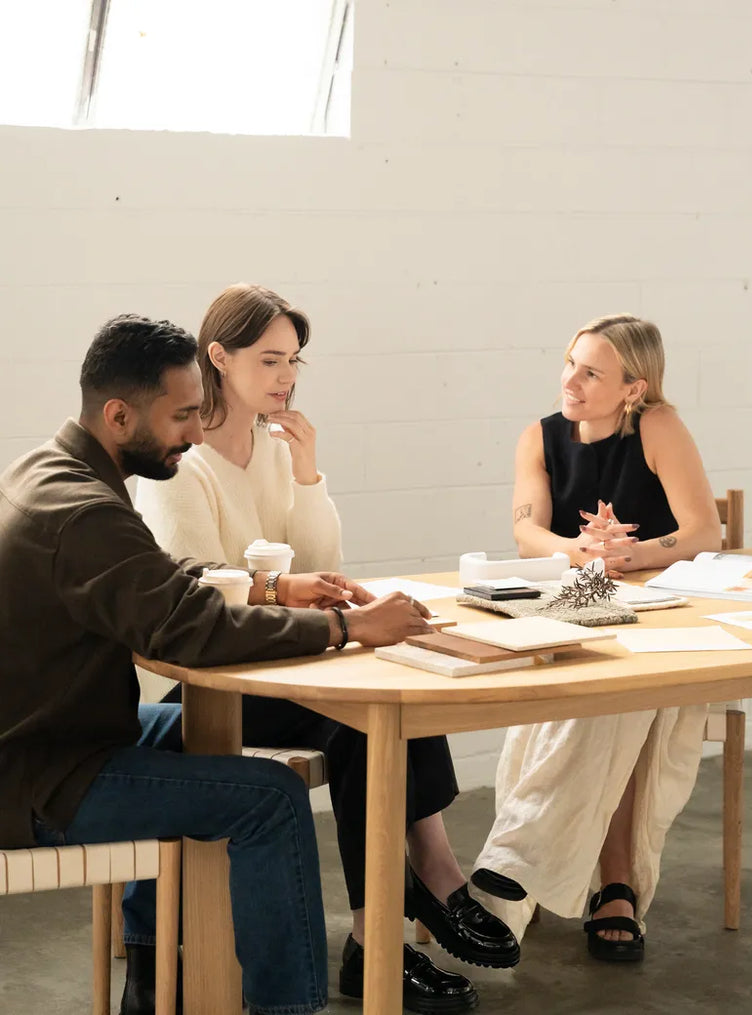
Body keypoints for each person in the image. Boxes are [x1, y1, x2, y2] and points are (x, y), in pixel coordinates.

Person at [0, 314, 444, 1015]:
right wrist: (347, 626)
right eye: (181, 416)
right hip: (43, 776)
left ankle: (159, 971)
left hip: (62, 734)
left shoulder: (50, 469)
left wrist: (273, 588)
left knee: (226, 734)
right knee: (271, 798)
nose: (197, 434)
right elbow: (192, 629)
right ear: (119, 415)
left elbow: (154, 579)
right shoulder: (83, 511)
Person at [135, 283, 520, 1009]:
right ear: (218, 357)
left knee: (398, 680)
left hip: (280, 664)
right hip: (208, 686)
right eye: (269, 359)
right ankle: (401, 918)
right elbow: (199, 594)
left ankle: (399, 914)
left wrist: (308, 472)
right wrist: (289, 591)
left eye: (294, 361)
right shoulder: (180, 461)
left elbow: (321, 562)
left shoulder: (273, 447)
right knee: (361, 720)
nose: (286, 376)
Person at [470, 314, 722, 963]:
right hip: (574, 601)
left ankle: (520, 861)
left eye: (590, 373)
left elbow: (704, 531)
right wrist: (581, 551)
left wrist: (630, 554)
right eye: (570, 363)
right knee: (603, 698)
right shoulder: (539, 436)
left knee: (615, 695)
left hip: (662, 613)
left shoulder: (658, 426)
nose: (570, 381)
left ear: (633, 388)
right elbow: (528, 534)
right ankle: (608, 885)